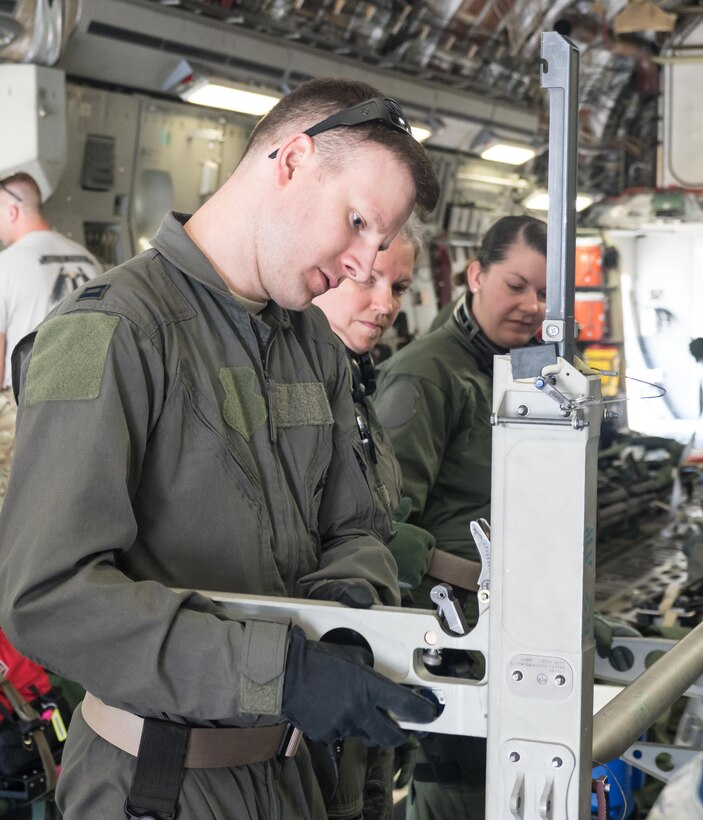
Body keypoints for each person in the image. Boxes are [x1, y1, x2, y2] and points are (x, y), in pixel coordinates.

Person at [0, 78, 441, 820]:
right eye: (357, 221)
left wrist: (345, 612)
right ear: (292, 160)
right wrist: (281, 669)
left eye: (382, 240)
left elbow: (358, 525)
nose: (367, 264)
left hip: (298, 778)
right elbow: (45, 597)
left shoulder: (314, 349)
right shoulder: (106, 332)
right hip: (158, 787)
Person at [374, 214, 548, 819]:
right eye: (517, 285)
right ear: (475, 275)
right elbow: (383, 531)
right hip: (457, 649)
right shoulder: (425, 376)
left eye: (548, 292)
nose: (533, 305)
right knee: (463, 795)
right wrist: (477, 581)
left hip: (522, 640)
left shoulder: (524, 376)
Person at [312, 217, 435, 819]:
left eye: (401, 288)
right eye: (368, 279)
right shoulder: (296, 392)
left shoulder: (355, 385)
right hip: (320, 685)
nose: (385, 304)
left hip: (371, 667)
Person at [0, 172, 101, 509]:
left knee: (11, 503)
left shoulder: (7, 264)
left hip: (23, 409)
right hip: (88, 404)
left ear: (11, 211)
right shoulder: (89, 260)